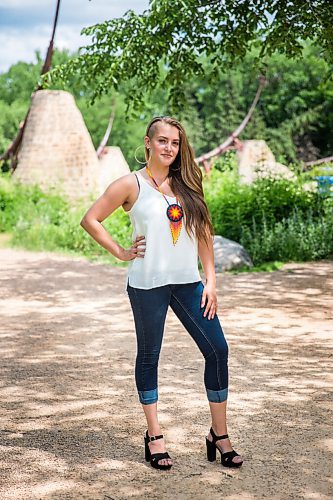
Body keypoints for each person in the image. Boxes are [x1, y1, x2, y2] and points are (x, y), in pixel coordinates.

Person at [80, 115, 244, 471]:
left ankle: (219, 433)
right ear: (148, 143)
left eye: (175, 143)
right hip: (146, 285)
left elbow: (203, 233)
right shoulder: (130, 184)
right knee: (150, 356)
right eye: (163, 141)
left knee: (218, 349)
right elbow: (90, 219)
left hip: (188, 283)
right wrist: (121, 252)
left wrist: (211, 280)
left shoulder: (187, 184)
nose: (169, 148)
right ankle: (154, 436)